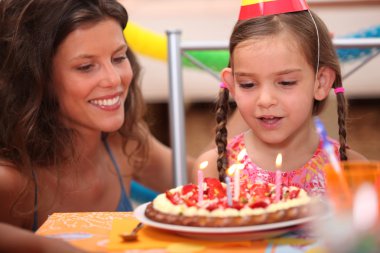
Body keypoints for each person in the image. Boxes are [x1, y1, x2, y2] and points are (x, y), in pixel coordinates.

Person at [0, 0, 193, 234]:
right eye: (86, 67)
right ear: (37, 80)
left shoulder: (125, 142)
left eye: (118, 58)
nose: (113, 79)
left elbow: (208, 180)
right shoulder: (11, 181)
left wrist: (240, 98)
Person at [194, 1, 366, 195]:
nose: (265, 100)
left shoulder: (353, 170)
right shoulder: (213, 170)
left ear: (321, 82)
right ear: (232, 85)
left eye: (286, 82)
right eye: (248, 84)